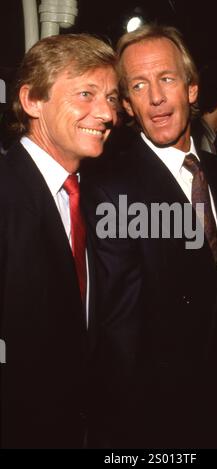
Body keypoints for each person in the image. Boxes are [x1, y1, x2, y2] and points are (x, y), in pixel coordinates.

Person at [84, 24, 217, 448]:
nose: (156, 98)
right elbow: (120, 330)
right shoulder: (112, 188)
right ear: (126, 103)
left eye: (167, 79)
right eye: (139, 86)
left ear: (192, 89)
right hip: (157, 419)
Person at [0, 33, 119, 448]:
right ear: (32, 101)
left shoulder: (92, 195)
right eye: (87, 94)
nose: (106, 113)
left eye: (112, 97)